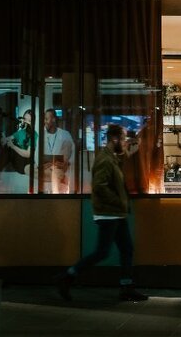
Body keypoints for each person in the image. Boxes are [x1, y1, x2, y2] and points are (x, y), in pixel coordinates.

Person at [56, 124, 148, 302]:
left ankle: (126, 286)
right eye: (122, 139)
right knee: (102, 252)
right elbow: (100, 186)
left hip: (115, 213)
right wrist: (119, 201)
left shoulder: (111, 157)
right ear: (114, 139)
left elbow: (114, 174)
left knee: (126, 249)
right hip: (108, 212)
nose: (124, 141)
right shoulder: (105, 160)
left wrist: (128, 150)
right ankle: (67, 276)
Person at [41, 109, 75, 194]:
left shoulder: (64, 134)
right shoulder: (42, 134)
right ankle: (61, 177)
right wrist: (41, 163)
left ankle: (55, 195)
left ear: (54, 119)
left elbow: (73, 151)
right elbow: (36, 153)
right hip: (45, 167)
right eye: (44, 119)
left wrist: (67, 162)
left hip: (59, 166)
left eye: (46, 119)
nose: (44, 122)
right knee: (28, 168)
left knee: (56, 171)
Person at [0, 109, 38, 175]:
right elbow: (5, 141)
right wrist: (2, 133)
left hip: (26, 164)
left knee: (12, 145)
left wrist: (13, 146)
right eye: (25, 119)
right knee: (9, 145)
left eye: (29, 121)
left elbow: (28, 154)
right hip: (18, 162)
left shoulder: (34, 135)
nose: (26, 122)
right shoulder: (20, 132)